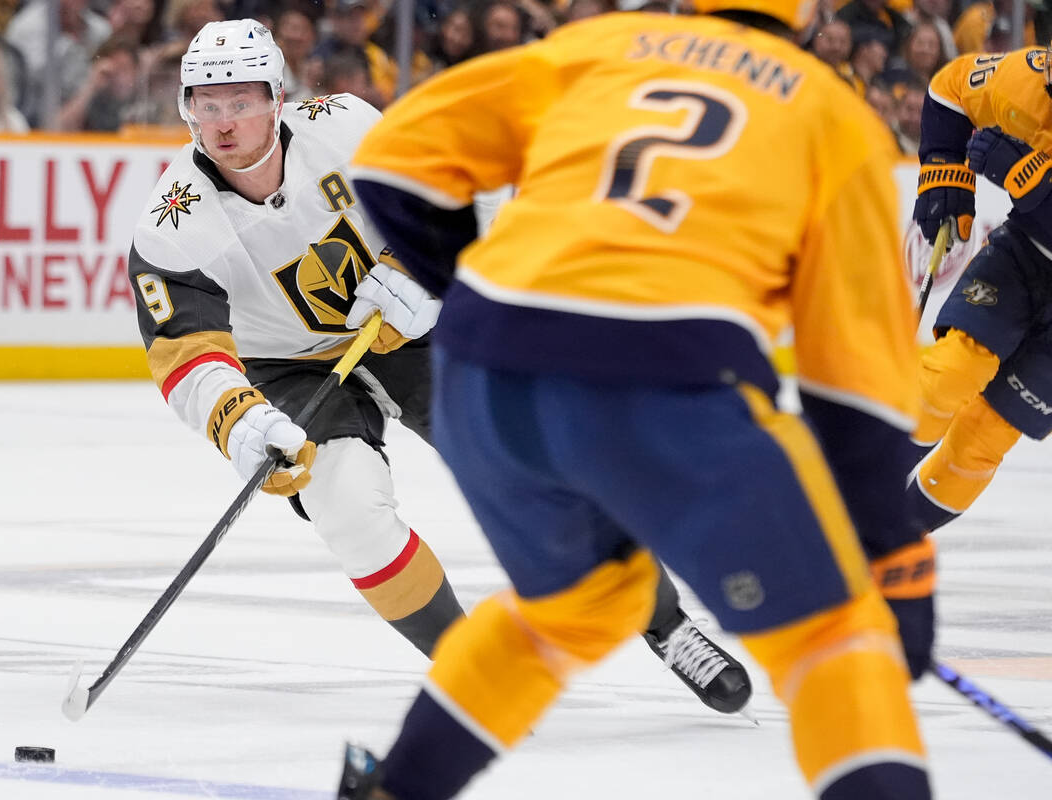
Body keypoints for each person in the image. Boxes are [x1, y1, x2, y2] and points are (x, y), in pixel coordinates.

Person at [340, 0, 936, 796]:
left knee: (575, 608)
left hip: (484, 374)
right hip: (667, 373)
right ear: (808, 16)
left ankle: (397, 790)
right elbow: (854, 382)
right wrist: (893, 560)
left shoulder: (596, 45)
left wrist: (480, 290)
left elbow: (390, 159)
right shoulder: (834, 113)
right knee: (834, 635)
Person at [129, 17, 754, 713]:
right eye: (205, 104)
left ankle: (667, 627)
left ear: (278, 97)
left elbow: (460, 185)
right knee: (348, 509)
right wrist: (239, 422)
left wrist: (424, 265)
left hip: (412, 326)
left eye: (240, 100)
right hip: (287, 368)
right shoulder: (172, 222)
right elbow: (185, 357)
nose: (223, 122)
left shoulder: (344, 125)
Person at [907, 45, 1052, 534]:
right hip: (1026, 255)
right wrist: (943, 171)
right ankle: (852, 491)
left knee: (981, 438)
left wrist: (1035, 183)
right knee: (947, 375)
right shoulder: (1024, 81)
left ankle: (885, 542)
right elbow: (950, 90)